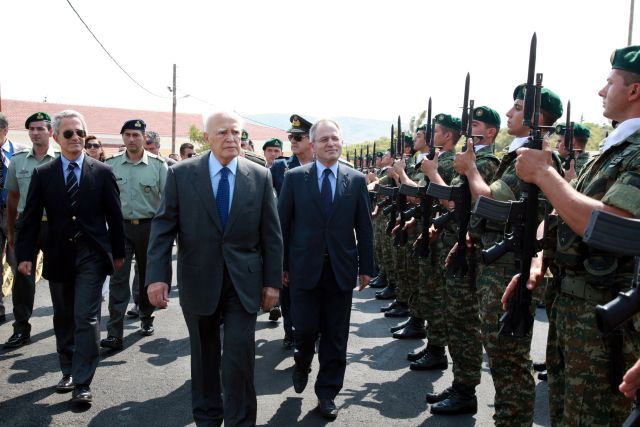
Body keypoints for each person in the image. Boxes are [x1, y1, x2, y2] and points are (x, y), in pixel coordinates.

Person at [504, 45, 640, 426]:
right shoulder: (613, 151)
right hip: (571, 307)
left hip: (606, 320)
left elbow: (610, 223)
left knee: (593, 418)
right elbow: (563, 211)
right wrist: (535, 263)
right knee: (565, 416)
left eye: (609, 82)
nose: (601, 91)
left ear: (633, 91)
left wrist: (544, 175)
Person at [146, 111, 283, 426]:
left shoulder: (259, 176)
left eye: (236, 132)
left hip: (244, 284)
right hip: (198, 279)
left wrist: (273, 283)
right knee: (205, 357)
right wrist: (157, 276)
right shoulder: (181, 174)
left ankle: (240, 422)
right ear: (206, 137)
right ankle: (207, 418)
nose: (231, 138)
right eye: (223, 132)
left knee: (238, 357)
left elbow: (272, 235)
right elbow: (163, 227)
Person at [15, 109, 125, 404]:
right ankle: (68, 369)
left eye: (80, 133)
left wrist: (118, 253)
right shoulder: (43, 173)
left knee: (86, 317)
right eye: (69, 133)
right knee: (63, 316)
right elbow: (30, 218)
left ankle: (83, 382)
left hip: (92, 254)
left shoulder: (102, 172)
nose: (76, 138)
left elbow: (115, 216)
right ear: (56, 137)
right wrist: (24, 254)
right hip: (59, 253)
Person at [278, 119, 373, 421]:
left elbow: (365, 228)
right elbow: (282, 226)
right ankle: (302, 361)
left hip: (341, 270)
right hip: (303, 269)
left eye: (335, 139)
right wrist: (281, 266)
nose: (331, 144)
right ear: (313, 144)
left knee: (335, 336)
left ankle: (327, 392)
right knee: (304, 330)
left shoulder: (355, 180)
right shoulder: (295, 178)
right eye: (324, 140)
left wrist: (367, 268)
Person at [102, 119, 168, 350]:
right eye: (128, 135)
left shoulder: (158, 166)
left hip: (149, 227)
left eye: (136, 135)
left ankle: (146, 317)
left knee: (147, 276)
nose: (132, 139)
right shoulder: (111, 165)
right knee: (118, 279)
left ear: (144, 138)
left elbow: (168, 203)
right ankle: (114, 332)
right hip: (120, 227)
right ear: (123, 137)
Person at [3, 112, 58, 349]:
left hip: (56, 224)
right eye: (32, 129)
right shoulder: (18, 160)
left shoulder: (61, 159)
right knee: (22, 277)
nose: (35, 133)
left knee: (59, 276)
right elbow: (13, 196)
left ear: (51, 132)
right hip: (27, 223)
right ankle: (21, 328)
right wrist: (13, 230)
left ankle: (64, 325)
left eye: (40, 129)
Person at [270, 114, 315, 349]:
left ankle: (311, 331)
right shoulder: (280, 166)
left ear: (311, 140)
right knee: (287, 287)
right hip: (287, 236)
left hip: (315, 239)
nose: (293, 141)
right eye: (291, 137)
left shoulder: (324, 165)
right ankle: (290, 331)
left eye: (298, 136)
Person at [0, 113, 27, 324]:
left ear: (4, 130)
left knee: (16, 260)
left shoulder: (20, 152)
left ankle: (21, 315)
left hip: (15, 213)